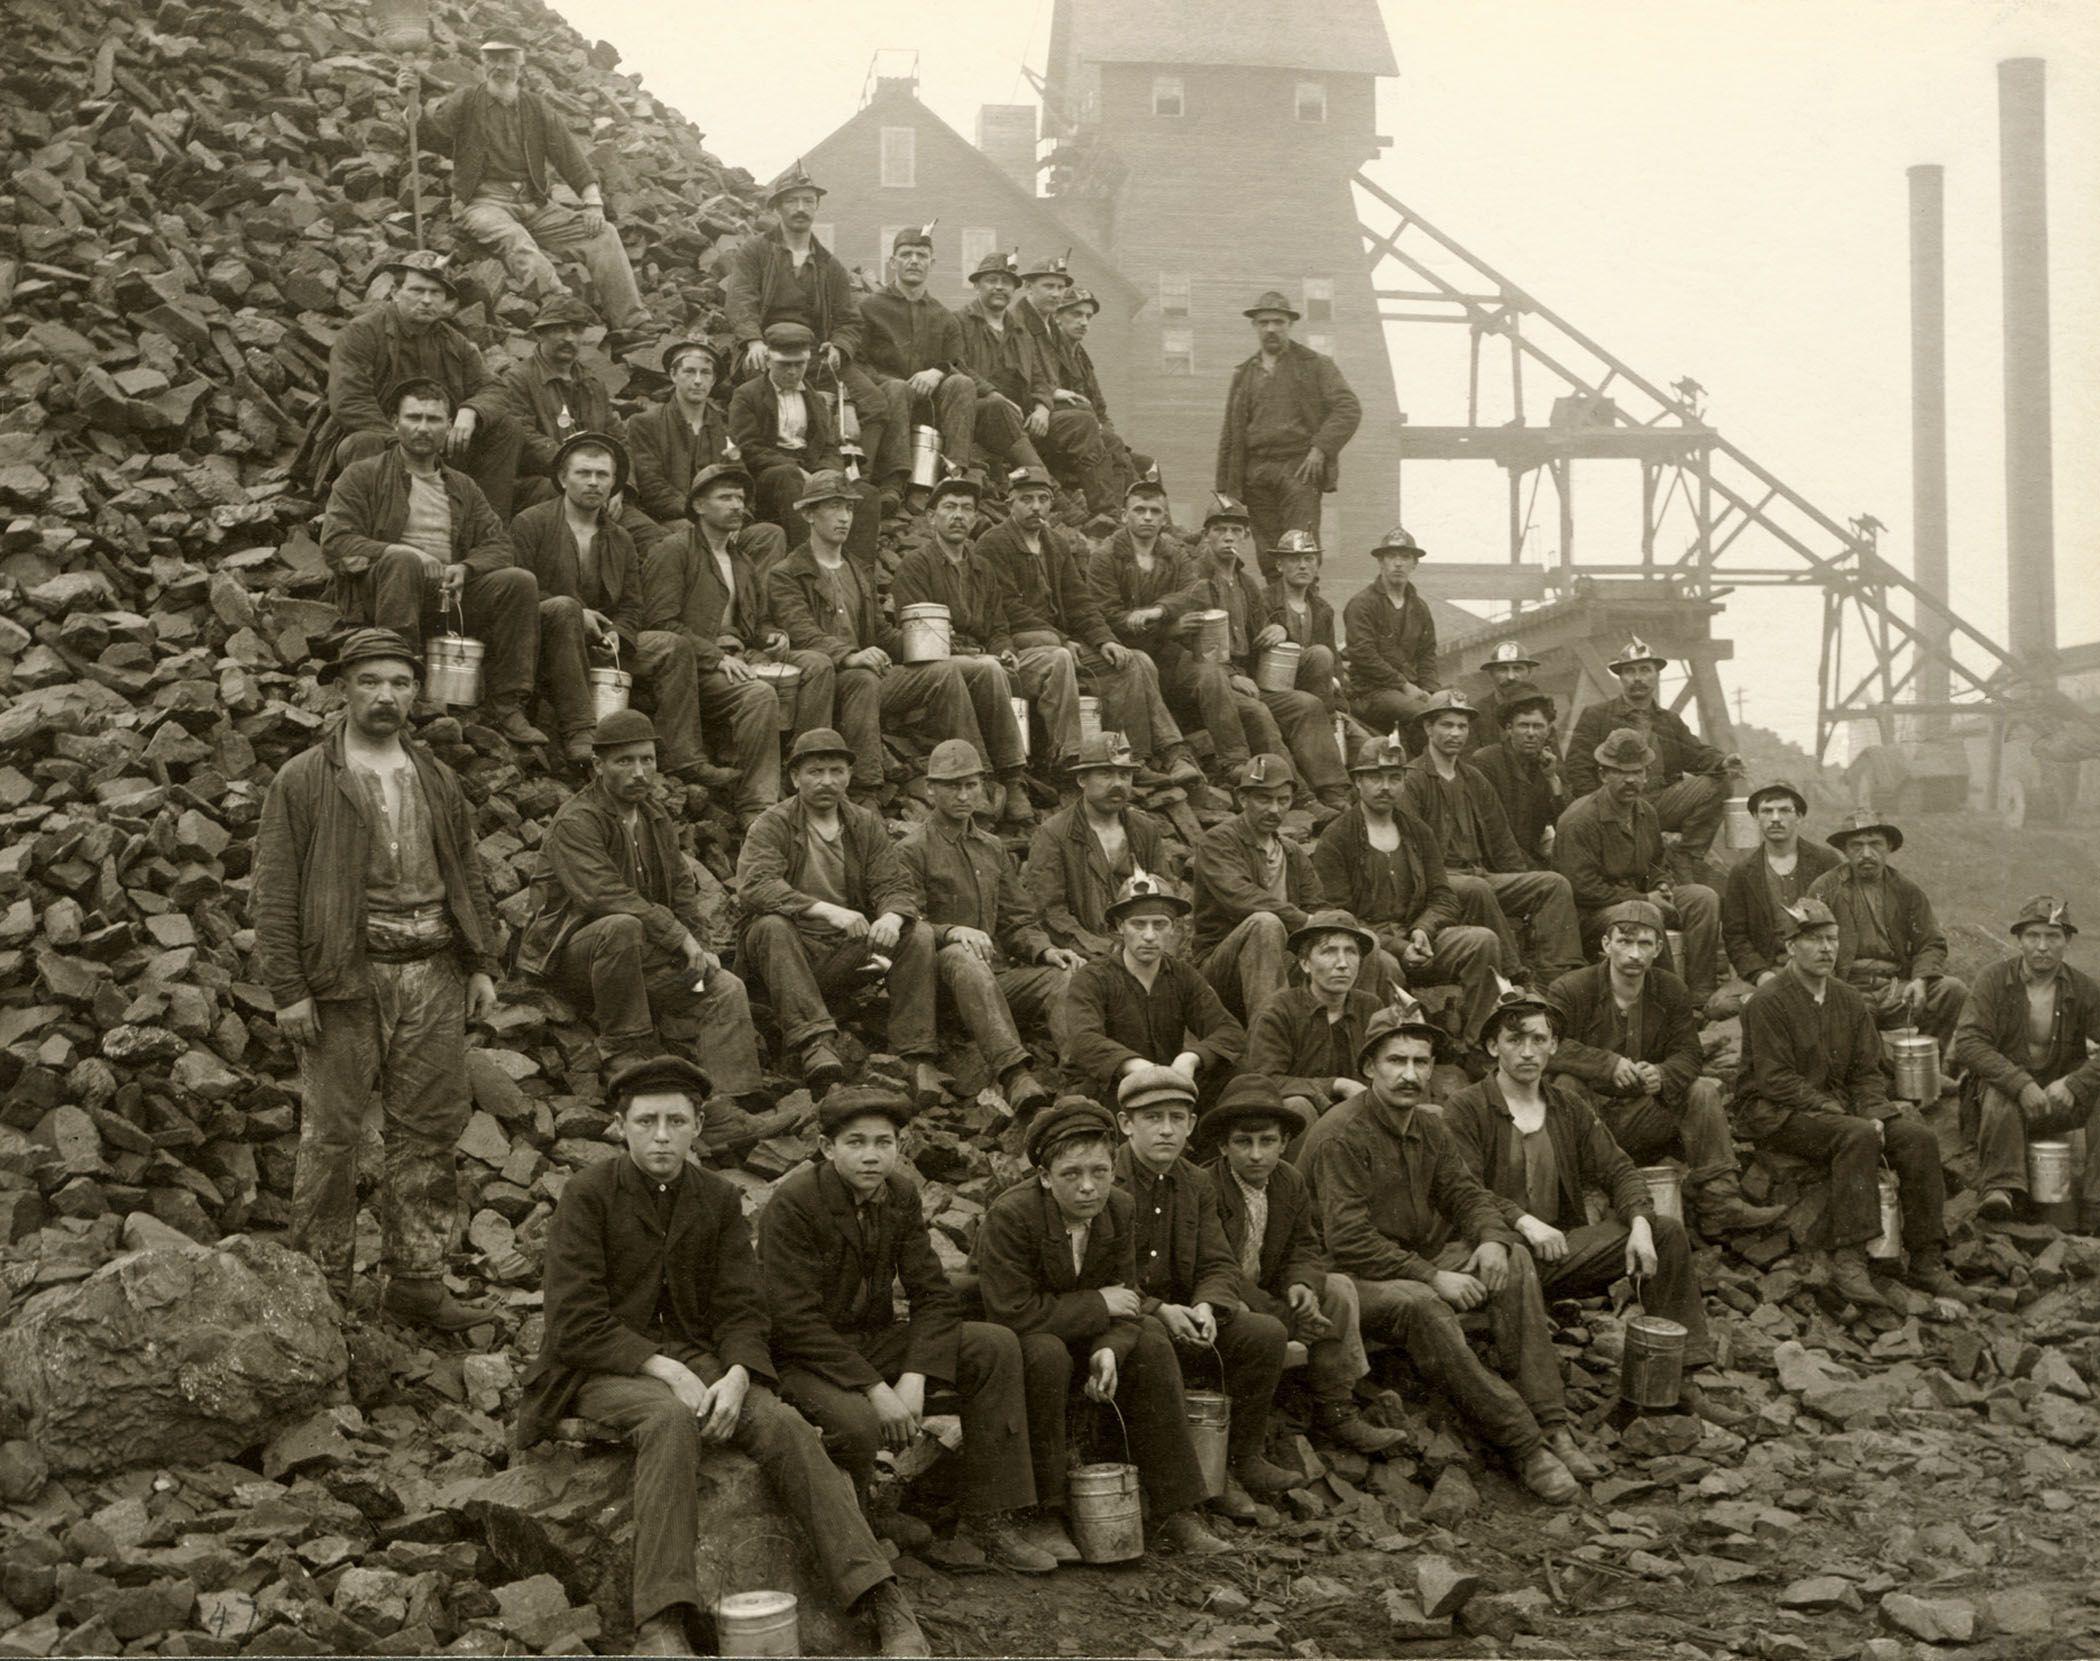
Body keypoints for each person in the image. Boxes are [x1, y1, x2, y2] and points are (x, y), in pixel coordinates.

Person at [516, 1056, 926, 1658]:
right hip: (597, 1367)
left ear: (697, 1126)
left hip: (703, 1361)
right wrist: (668, 1369)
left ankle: (880, 1599)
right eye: (647, 1121)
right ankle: (661, 1622)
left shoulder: (715, 1198)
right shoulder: (587, 1196)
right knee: (668, 1419)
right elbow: (575, 1321)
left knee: (783, 1424)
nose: (662, 1136)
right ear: (619, 1125)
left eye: (676, 1121)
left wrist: (737, 1374)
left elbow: (741, 1308)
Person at [251, 628, 500, 1331]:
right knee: (330, 1137)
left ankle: (416, 1281)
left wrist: (480, 962)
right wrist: (290, 990)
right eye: (370, 681)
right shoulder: (304, 778)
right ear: (343, 687)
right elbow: (274, 894)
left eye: (399, 681)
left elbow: (467, 873)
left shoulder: (435, 776)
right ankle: (321, 1286)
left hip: (433, 972)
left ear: (416, 691)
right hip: (342, 981)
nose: (385, 695)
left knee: (427, 1132)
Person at [757, 1084, 1060, 1572]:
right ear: (826, 1147)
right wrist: (878, 1389)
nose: (872, 1156)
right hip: (803, 1357)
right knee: (856, 1422)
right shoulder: (794, 1204)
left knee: (993, 1344)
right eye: (855, 1143)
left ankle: (989, 1519)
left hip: (874, 1342)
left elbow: (933, 1294)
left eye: (884, 1142)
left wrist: (916, 1374)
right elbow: (794, 1321)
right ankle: (862, 1525)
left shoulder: (899, 1194)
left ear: (899, 1146)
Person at [1300, 1005, 1582, 1503]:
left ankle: (1553, 1420)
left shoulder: (1429, 1126)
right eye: (1396, 1061)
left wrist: (1492, 1238)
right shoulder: (1341, 1134)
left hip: (1404, 1263)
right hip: (1342, 1280)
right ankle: (1525, 1445)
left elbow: (1466, 1193)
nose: (1411, 1075)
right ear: (1369, 1068)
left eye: (1422, 1063)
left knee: (1513, 1257)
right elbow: (1347, 1240)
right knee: (1423, 1305)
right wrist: (1433, 1276)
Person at [1443, 988, 1717, 1417]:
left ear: (1554, 1045)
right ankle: (1539, 1410)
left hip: (1559, 1252)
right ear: (1493, 1046)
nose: (1528, 1052)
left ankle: (1679, 1379)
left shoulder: (1567, 1106)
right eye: (1514, 1040)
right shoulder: (1465, 1107)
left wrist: (1641, 1224)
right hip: (1495, 1254)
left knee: (1665, 1232)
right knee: (1510, 1256)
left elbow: (1619, 1169)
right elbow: (1463, 1188)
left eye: (1539, 1039)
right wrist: (1524, 1223)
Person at [972, 1097, 1227, 1557]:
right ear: (1045, 1178)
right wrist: (1096, 1304)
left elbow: (1126, 1301)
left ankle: (1176, 1508)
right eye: (1071, 1175)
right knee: (1046, 1353)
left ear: (1113, 1168)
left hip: (1082, 1331)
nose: (1088, 1187)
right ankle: (1046, 1512)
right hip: (1023, 1339)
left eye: (1100, 1171)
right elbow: (1011, 1311)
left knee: (1149, 1339)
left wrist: (1110, 1348)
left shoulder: (1118, 1209)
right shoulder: (1012, 1215)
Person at [516, 710, 771, 1109]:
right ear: (598, 766)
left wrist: (700, 945)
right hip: (574, 961)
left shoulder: (655, 815)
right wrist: (677, 936)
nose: (639, 772)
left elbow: (683, 889)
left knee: (724, 988)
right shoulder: (577, 821)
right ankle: (625, 1052)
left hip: (640, 961)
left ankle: (730, 1109)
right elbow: (603, 895)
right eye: (625, 761)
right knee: (620, 926)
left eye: (647, 760)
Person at [1732, 898, 1963, 1307]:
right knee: (1856, 1136)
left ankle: (1927, 1259)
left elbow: (1866, 1071)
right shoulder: (1768, 1001)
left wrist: (1873, 1110)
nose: (1826, 948)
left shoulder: (1848, 999)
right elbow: (1774, 1079)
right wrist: (1845, 1114)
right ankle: (1850, 1259)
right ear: (1790, 947)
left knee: (1917, 1138)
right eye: (1814, 940)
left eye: (1832, 939)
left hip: (1838, 1109)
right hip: (1776, 1113)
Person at [319, 376, 544, 744]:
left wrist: (466, 567)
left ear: (449, 426)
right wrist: (399, 551)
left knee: (519, 581)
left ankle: (508, 705)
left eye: (434, 419)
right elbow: (336, 542)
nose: (423, 428)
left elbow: (499, 544)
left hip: (446, 598)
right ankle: (400, 688)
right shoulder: (363, 475)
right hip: (384, 593)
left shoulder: (463, 486)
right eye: (414, 417)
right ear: (395, 422)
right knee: (403, 562)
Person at [1112, 1065, 1294, 1516]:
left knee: (1264, 1333)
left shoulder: (1195, 1182)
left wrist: (1207, 1305)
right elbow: (1100, 1274)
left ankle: (1241, 1459)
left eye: (1178, 1117)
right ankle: (1186, 1496)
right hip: (1122, 1318)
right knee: (1152, 1344)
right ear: (1125, 1123)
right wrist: (1158, 1309)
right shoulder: (1105, 1178)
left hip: (1184, 1315)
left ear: (1192, 1125)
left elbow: (1218, 1261)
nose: (1167, 1130)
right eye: (1152, 1117)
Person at [767, 470, 1008, 807]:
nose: (844, 517)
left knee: (944, 671)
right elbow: (801, 631)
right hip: (827, 682)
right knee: (863, 677)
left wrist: (928, 641)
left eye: (849, 509)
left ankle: (972, 775)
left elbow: (880, 632)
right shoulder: (786, 573)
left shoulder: (857, 569)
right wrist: (851, 655)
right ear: (808, 514)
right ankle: (867, 787)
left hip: (869, 679)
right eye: (834, 508)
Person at [1197, 1075, 1408, 1458]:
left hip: (1272, 1290)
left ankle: (1336, 1408)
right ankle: (1253, 1434)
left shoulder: (1288, 1181)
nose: (1257, 1154)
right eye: (1243, 1142)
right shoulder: (1206, 1188)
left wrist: (1303, 1286)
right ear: (1223, 1146)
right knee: (1254, 1319)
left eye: (1268, 1142)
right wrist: (1286, 1316)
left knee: (1339, 1289)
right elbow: (1217, 1267)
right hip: (1225, 1298)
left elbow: (1305, 1246)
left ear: (1285, 1143)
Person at [1546, 901, 1783, 1237]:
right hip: (1590, 1120)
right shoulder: (1571, 989)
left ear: (1658, 948)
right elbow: (1547, 1045)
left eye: (1644, 944)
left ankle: (1720, 1201)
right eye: (1624, 942)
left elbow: (1689, 1053)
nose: (1634, 954)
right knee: (1566, 1084)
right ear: (1605, 945)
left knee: (1701, 1089)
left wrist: (1664, 1074)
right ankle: (1589, 1193)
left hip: (1645, 1117)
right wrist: (1607, 1064)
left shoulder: (1670, 990)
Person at [737, 728, 939, 1096]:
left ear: (849, 775)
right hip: (788, 954)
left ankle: (914, 1054)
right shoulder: (772, 824)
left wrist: (892, 916)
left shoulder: (863, 823)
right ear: (795, 777)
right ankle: (814, 1043)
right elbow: (756, 885)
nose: (827, 781)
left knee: (918, 934)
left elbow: (893, 883)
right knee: (770, 926)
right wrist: (826, 911)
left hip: (844, 954)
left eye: (836, 771)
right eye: (815, 772)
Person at [411, 35, 649, 337]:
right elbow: (432, 133)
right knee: (515, 238)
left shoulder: (536, 108)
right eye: (493, 59)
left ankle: (634, 322)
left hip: (535, 204)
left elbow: (568, 155)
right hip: (481, 202)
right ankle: (558, 301)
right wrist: (412, 107)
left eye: (508, 59)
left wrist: (592, 202)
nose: (500, 67)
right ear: (483, 63)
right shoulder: (467, 99)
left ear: (520, 64)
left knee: (603, 234)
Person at [976, 466, 1201, 786]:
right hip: (1020, 644)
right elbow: (1007, 606)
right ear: (1009, 501)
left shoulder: (1055, 543)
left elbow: (1080, 603)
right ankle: (1066, 756)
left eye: (1043, 499)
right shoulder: (993, 543)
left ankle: (1140, 757)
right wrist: (1062, 638)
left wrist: (1106, 641)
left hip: (1064, 643)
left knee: (1135, 660)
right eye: (1026, 499)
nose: (1036, 507)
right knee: (1063, 656)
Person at [897, 740, 1075, 1119]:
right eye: (951, 786)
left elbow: (1017, 918)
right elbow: (908, 921)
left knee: (1061, 977)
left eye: (971, 785)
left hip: (994, 980)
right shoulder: (912, 849)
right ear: (930, 789)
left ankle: (1082, 1077)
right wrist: (953, 931)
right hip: (939, 986)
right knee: (964, 957)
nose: (963, 795)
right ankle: (1014, 1075)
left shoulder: (992, 847)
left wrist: (1044, 950)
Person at [638, 460, 819, 826]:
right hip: (690, 668)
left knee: (797, 675)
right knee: (760, 694)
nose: (737, 505)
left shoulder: (743, 561)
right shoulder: (673, 550)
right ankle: (756, 805)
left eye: (739, 498)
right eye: (725, 497)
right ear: (699, 506)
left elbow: (757, 621)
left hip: (734, 659)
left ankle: (772, 793)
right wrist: (716, 656)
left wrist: (773, 635)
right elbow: (662, 624)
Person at [511, 432, 703, 771]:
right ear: (562, 477)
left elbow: (632, 604)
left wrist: (618, 633)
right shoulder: (532, 523)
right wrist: (577, 612)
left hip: (602, 644)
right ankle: (581, 731)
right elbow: (519, 591)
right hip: (544, 638)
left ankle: (681, 756)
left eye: (602, 475)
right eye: (583, 473)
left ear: (614, 482)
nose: (593, 482)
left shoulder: (621, 538)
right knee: (565, 609)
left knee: (673, 646)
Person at [1313, 732, 1504, 1053]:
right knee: (1383, 962)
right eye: (1375, 778)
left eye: (1394, 777)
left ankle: (1477, 1045)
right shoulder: (1338, 838)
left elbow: (1443, 896)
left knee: (1482, 941)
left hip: (1419, 939)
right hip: (1371, 944)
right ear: (1358, 783)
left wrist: (1422, 931)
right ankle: (1396, 1044)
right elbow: (1340, 918)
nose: (1386, 786)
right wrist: (1400, 947)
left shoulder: (1417, 831)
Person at [312, 249, 524, 515]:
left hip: (434, 441)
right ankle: (376, 533)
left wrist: (471, 412)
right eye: (417, 290)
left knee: (506, 428)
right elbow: (350, 402)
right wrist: (403, 442)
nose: (426, 300)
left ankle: (485, 527)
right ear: (394, 292)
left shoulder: (452, 340)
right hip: (383, 437)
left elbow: (494, 388)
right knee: (364, 442)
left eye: (435, 293)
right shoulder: (362, 333)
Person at [724, 164, 894, 490]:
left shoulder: (830, 265)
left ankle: (856, 481)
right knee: (765, 406)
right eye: (792, 201)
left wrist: (840, 347)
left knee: (873, 403)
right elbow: (740, 300)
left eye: (808, 201)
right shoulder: (756, 252)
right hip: (768, 350)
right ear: (777, 207)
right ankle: (777, 479)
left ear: (817, 207)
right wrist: (752, 341)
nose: (801, 208)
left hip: (816, 356)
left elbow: (849, 319)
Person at [887, 473, 1041, 823]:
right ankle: (990, 776)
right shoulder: (916, 566)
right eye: (950, 507)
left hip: (978, 656)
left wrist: (1003, 648)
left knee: (998, 667)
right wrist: (976, 654)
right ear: (931, 517)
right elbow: (914, 633)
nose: (959, 516)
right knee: (986, 668)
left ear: (974, 519)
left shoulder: (982, 569)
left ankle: (1014, 778)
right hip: (930, 660)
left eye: (967, 509)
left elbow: (999, 626)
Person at [1400, 689, 1583, 983]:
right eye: (1446, 725)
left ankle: (1557, 980)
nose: (1455, 733)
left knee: (1553, 884)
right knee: (1476, 887)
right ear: (1428, 728)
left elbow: (1502, 842)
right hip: (1438, 884)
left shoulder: (1473, 778)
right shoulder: (1412, 780)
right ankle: (1517, 976)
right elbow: (1410, 852)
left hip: (1480, 875)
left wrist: (1521, 884)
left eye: (1462, 726)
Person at [1176, 497, 1350, 803]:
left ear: (1245, 536)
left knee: (1307, 704)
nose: (1228, 536)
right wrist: (1231, 676)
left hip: (1248, 679)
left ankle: (1334, 789)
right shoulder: (1194, 578)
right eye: (1220, 529)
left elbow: (1259, 634)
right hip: (1209, 686)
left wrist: (1279, 629)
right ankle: (1300, 795)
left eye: (1236, 529)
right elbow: (1192, 647)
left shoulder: (1246, 584)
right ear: (1207, 535)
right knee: (1259, 712)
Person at [857, 226, 1042, 494]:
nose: (913, 261)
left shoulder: (942, 315)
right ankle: (893, 482)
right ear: (892, 261)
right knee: (898, 388)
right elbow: (859, 361)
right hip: (887, 397)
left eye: (921, 255)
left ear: (931, 264)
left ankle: (956, 472)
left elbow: (955, 360)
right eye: (906, 254)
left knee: (962, 383)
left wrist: (937, 371)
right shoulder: (871, 307)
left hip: (931, 401)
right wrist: (886, 381)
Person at [1956, 897, 2100, 1231]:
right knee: (1998, 1086)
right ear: (2019, 939)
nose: (2042, 947)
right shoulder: (1992, 979)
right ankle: (2000, 1190)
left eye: (2053, 937)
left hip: (2058, 1101)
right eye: (2033, 936)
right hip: (1999, 1103)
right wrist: (2021, 1084)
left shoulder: (2085, 989)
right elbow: (1969, 1041)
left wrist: (2074, 1083)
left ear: (2067, 941)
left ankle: (2095, 1203)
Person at [1554, 727, 1722, 1008]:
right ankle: (1669, 1003)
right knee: (1647, 913)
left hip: (1639, 899)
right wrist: (1643, 899)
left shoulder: (1645, 812)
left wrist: (1661, 884)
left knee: (1703, 898)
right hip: (1591, 916)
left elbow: (1656, 862)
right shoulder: (1579, 820)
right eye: (1620, 772)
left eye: (1638, 771)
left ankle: (1700, 994)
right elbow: (1581, 888)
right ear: (1603, 775)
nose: (1631, 779)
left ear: (1646, 773)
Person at [1061, 871, 1246, 1103]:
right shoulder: (1092, 977)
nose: (1149, 935)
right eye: (1138, 924)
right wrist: (1137, 1067)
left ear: (1172, 928)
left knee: (1240, 1076)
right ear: (1120, 926)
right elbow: (1084, 1040)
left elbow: (1229, 1031)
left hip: (1166, 1080)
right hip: (1110, 1088)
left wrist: (1191, 1057)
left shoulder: (1183, 976)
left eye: (1159, 924)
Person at [1563, 637, 1738, 878]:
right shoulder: (1597, 716)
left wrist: (1723, 762)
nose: (1638, 678)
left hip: (1658, 802)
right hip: (1613, 802)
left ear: (1656, 675)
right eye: (1630, 671)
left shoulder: (1669, 721)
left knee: (1719, 783)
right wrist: (1596, 809)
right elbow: (1577, 767)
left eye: (1645, 670)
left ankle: (1686, 854)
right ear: (1620, 677)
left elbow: (1696, 754)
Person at [1215, 290, 1362, 579]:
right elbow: (1230, 435)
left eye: (1278, 322)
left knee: (1301, 550)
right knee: (1269, 555)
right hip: (1255, 472)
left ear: (1290, 325)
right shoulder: (1244, 374)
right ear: (1254, 326)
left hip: (1299, 468)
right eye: (1264, 322)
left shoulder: (1315, 365)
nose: (1271, 329)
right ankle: (1278, 619)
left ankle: (1307, 616)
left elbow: (1348, 408)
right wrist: (1225, 490)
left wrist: (1320, 449)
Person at [1808, 810, 1967, 1061]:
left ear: (1889, 847)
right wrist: (1833, 986)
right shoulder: (1825, 888)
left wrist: (1920, 979)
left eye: (1875, 844)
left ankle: (1927, 1065)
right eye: (1857, 846)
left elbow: (1931, 942)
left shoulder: (1906, 890)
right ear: (1845, 851)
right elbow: (1810, 942)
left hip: (1896, 988)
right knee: (1858, 1028)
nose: (1867, 854)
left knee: (1951, 990)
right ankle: (1880, 1077)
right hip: (1848, 986)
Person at [1191, 754, 1324, 1020]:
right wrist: (1305, 920)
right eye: (1264, 799)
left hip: (1281, 962)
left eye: (1283, 800)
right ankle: (1268, 1046)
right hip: (1223, 969)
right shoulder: (1218, 842)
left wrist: (1335, 926)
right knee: (1265, 923)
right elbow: (1241, 898)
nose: (1274, 810)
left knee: (1358, 943)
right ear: (1243, 800)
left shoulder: (1292, 851)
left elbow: (1317, 905)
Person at [1023, 732, 1172, 958]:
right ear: (1082, 779)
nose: (1117, 784)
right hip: (1086, 952)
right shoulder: (1053, 834)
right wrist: (1104, 949)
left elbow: (1163, 899)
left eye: (1124, 775)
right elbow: (1050, 912)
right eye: (1105, 774)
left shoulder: (1145, 831)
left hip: (1142, 947)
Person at [627, 342, 781, 557]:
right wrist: (704, 516)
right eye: (689, 371)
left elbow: (741, 478)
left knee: (770, 534)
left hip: (721, 521)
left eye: (705, 373)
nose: (698, 380)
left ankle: (751, 591)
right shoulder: (645, 423)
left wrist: (737, 517)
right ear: (673, 375)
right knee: (693, 537)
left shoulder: (724, 427)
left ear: (713, 380)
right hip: (675, 521)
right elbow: (652, 486)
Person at [1243, 910, 1382, 1130]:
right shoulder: (1278, 1010)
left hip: (1358, 1117)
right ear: (1305, 964)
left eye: (1351, 952)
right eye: (1329, 952)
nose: (1343, 963)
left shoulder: (1371, 1008)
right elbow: (1264, 1081)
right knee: (1298, 1106)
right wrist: (1336, 1085)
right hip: (1304, 1121)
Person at [497, 295, 628, 520]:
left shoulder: (592, 383)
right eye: (559, 330)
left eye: (576, 330)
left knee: (652, 537)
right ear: (540, 334)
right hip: (542, 486)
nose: (569, 338)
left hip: (596, 486)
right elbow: (524, 437)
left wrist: (619, 486)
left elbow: (619, 439)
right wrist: (575, 470)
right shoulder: (518, 379)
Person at [726, 322, 848, 542]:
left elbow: (830, 446)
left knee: (866, 493)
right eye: (784, 364)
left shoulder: (815, 398)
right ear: (768, 360)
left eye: (799, 364)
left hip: (811, 470)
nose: (792, 372)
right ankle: (809, 559)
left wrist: (828, 474)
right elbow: (748, 447)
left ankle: (856, 569)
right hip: (769, 477)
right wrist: (795, 469)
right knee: (788, 476)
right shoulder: (746, 395)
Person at [1719, 781, 1840, 989]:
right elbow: (1735, 936)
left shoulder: (1826, 862)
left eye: (1784, 810)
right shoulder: (1743, 872)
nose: (1775, 819)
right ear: (1756, 817)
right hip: (1770, 970)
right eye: (1767, 811)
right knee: (1720, 1006)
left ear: (1799, 816)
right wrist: (1760, 975)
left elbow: (1844, 923)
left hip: (1819, 968)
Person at [1342, 528, 1440, 736]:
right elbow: (1363, 655)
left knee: (1451, 711)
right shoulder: (1362, 604)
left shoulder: (1420, 608)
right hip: (1369, 692)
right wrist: (1404, 685)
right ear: (1381, 562)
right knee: (1424, 716)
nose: (1398, 563)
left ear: (1414, 564)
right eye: (1391, 556)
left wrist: (1431, 692)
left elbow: (1427, 655)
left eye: (1405, 557)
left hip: (1408, 691)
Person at [1468, 680, 1565, 871]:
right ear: (1509, 728)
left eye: (1538, 726)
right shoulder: (1486, 761)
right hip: (1493, 862)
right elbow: (1491, 832)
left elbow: (1565, 825)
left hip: (1530, 856)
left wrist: (1553, 780)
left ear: (1548, 730)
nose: (1530, 733)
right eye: (1523, 726)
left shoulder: (1548, 765)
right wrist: (1534, 870)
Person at [1262, 529, 1343, 712]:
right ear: (1279, 565)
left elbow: (1334, 658)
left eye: (1309, 559)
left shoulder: (1322, 610)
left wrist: (1337, 687)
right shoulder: (1263, 602)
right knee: (1320, 654)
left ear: (1316, 566)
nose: (1303, 566)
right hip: (1275, 691)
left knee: (1364, 738)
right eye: (1294, 559)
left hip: (1316, 690)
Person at [1460, 641, 1541, 754]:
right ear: (1491, 674)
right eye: (1503, 669)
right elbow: (1469, 766)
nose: (1511, 677)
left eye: (1517, 669)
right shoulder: (1475, 715)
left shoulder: (1540, 712)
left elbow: (1557, 766)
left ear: (1529, 673)